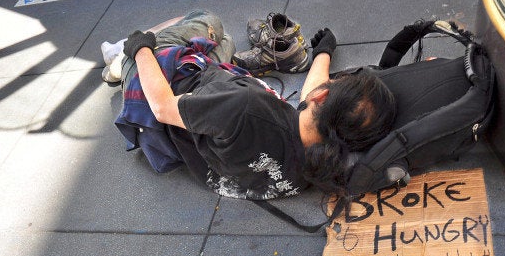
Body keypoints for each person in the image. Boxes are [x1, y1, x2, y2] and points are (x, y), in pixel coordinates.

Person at [112, 10, 397, 200]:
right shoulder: (315, 164)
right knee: (225, 42)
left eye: (335, 84)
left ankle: (119, 61)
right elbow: (310, 99)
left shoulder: (245, 105)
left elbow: (162, 107)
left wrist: (140, 47)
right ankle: (124, 61)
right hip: (215, 111)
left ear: (322, 98)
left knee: (210, 21)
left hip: (162, 92)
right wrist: (323, 53)